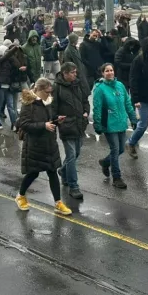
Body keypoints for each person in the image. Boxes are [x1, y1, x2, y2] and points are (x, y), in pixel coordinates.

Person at [15, 78, 73, 216]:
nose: (49, 94)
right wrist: (43, 125)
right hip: (35, 144)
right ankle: (20, 196)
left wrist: (57, 120)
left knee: (52, 171)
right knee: (33, 172)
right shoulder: (29, 104)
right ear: (39, 90)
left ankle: (58, 202)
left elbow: (50, 119)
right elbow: (24, 124)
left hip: (49, 143)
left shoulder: (48, 103)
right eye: (47, 92)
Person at [92, 62, 133, 190]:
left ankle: (105, 162)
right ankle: (117, 177)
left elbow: (127, 102)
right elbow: (97, 108)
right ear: (102, 73)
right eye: (107, 71)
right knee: (115, 149)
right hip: (109, 124)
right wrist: (98, 124)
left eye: (111, 70)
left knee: (121, 149)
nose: (110, 73)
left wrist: (133, 118)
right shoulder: (100, 89)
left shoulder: (120, 85)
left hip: (121, 122)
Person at [54, 62, 89, 200]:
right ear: (65, 73)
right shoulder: (57, 87)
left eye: (75, 72)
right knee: (71, 156)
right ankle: (74, 186)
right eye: (72, 72)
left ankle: (63, 171)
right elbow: (53, 106)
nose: (75, 74)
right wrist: (56, 119)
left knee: (76, 153)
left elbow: (85, 100)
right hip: (67, 125)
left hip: (80, 124)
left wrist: (86, 111)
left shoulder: (78, 84)